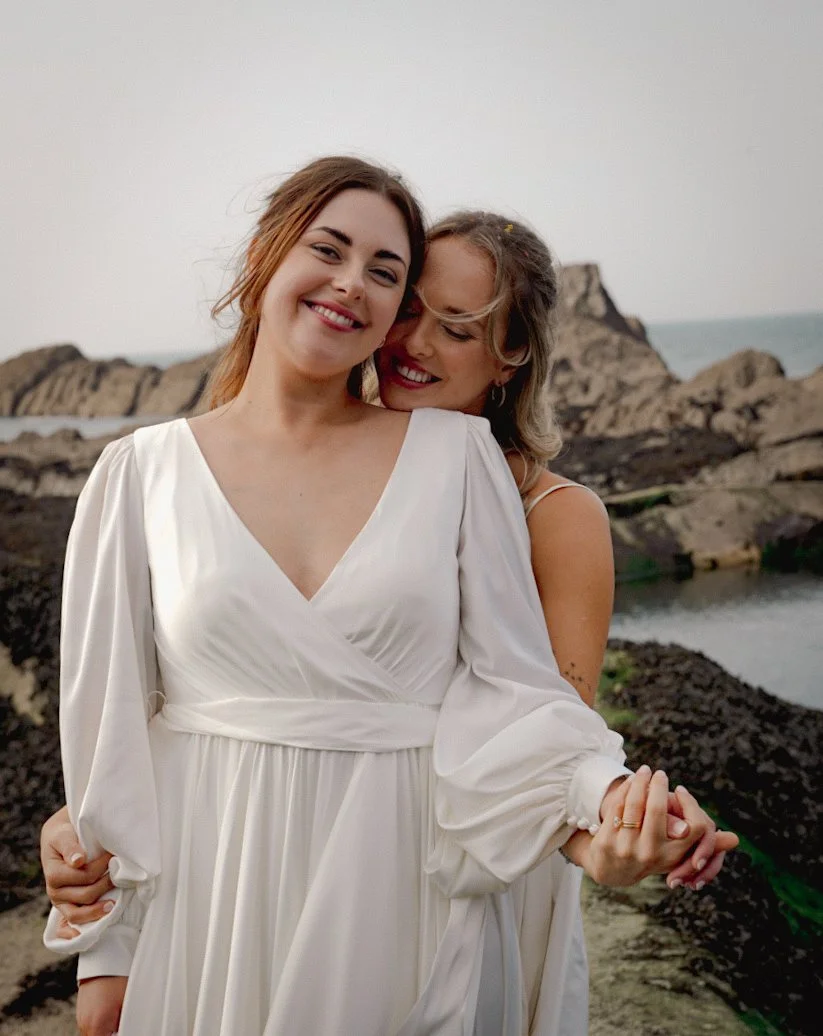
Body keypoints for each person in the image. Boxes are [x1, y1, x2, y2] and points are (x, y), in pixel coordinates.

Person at [42, 158, 736, 1036]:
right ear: (265, 253)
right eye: (331, 252)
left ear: (505, 353)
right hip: (208, 897)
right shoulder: (137, 473)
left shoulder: (462, 463)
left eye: (387, 276)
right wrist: (100, 932)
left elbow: (520, 707)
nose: (364, 298)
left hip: (403, 889)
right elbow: (117, 721)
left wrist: (616, 811)